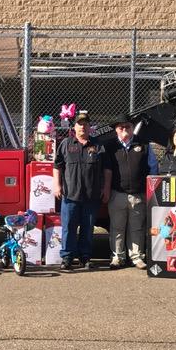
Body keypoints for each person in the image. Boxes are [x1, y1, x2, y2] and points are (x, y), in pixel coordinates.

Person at [53, 112, 111, 270]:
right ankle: (67, 257)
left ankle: (85, 257)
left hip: (91, 196)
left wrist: (106, 188)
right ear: (74, 127)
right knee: (69, 227)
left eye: (85, 124)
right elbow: (57, 166)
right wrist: (57, 185)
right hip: (70, 195)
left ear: (90, 127)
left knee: (87, 228)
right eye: (80, 124)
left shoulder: (98, 145)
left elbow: (107, 169)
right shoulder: (66, 143)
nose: (83, 126)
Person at [105, 113, 159, 270]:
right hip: (117, 194)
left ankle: (137, 257)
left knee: (137, 228)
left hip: (138, 195)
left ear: (132, 127)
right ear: (116, 130)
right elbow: (106, 170)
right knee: (117, 227)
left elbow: (153, 168)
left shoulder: (144, 145)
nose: (124, 129)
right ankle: (117, 257)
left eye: (128, 126)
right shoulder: (109, 147)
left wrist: (150, 191)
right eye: (121, 127)